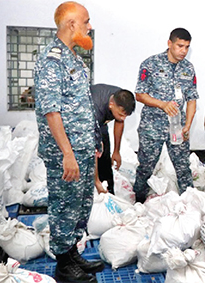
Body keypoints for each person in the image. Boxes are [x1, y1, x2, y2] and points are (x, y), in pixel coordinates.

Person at [34, 2, 104, 282]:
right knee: (64, 205)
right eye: (85, 21)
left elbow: (83, 106)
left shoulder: (74, 58)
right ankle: (64, 266)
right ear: (71, 24)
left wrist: (94, 141)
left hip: (83, 149)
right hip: (65, 152)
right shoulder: (52, 60)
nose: (89, 26)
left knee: (81, 205)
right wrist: (67, 154)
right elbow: (52, 111)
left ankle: (73, 254)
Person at [133, 28, 198, 202]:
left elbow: (192, 99)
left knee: (183, 167)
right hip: (152, 126)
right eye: (180, 46)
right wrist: (162, 104)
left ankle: (189, 205)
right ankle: (138, 202)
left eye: (187, 47)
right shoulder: (150, 64)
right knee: (146, 166)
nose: (183, 51)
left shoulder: (188, 69)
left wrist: (188, 125)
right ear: (169, 44)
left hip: (177, 127)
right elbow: (139, 95)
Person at [90, 84, 136, 194]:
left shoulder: (121, 98)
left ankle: (108, 191)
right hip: (84, 124)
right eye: (121, 114)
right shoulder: (95, 110)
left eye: (125, 116)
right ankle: (95, 189)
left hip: (101, 123)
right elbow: (94, 150)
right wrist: (96, 181)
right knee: (91, 157)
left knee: (105, 157)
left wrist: (116, 152)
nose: (123, 118)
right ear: (111, 105)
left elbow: (120, 121)